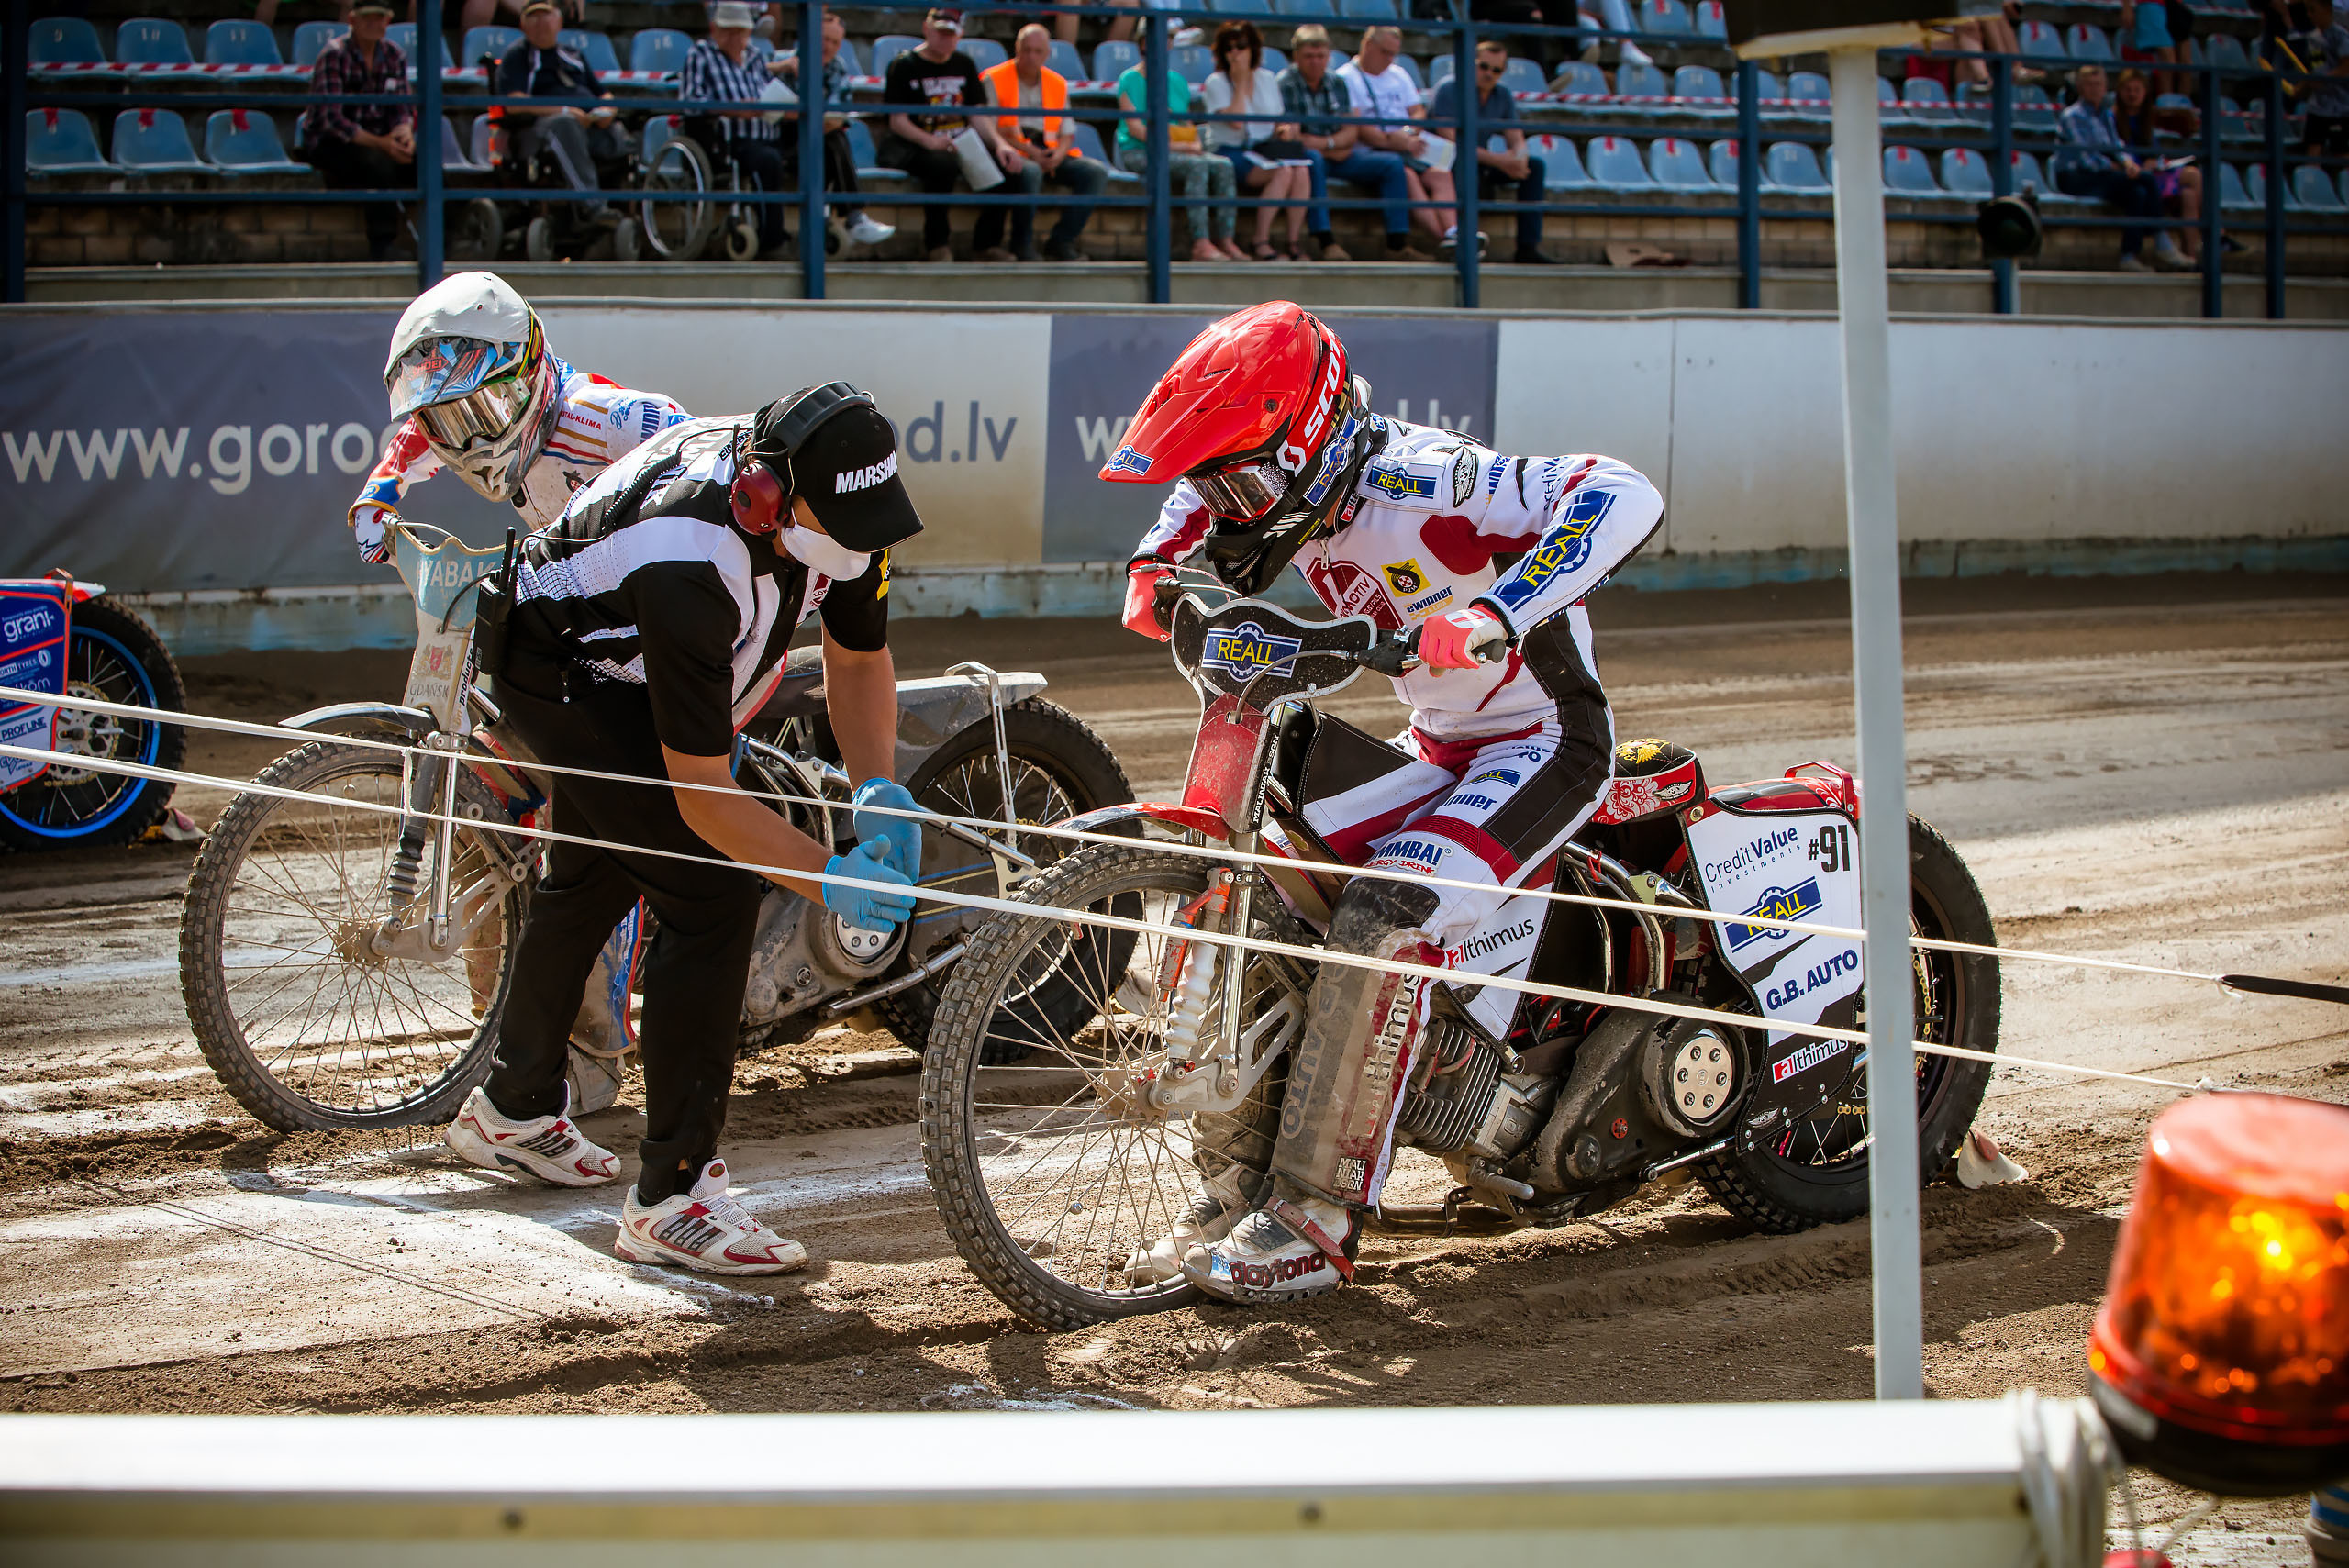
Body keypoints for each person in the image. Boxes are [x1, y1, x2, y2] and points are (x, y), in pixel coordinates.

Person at [1104, 302, 1663, 1302]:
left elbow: (1622, 491)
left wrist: (1498, 610)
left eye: (1248, 486)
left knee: (1382, 911)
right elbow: (1194, 496)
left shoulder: (1429, 478)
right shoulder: (1275, 484)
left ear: (1311, 439)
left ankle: (1318, 1218)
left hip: (1545, 740)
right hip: (1442, 744)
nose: (1233, 510)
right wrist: (1154, 565)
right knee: (1268, 884)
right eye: (1224, 487)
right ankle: (1233, 1188)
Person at [446, 383, 929, 1275]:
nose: (861, 548)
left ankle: (511, 1108)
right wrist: (828, 877)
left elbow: (859, 654)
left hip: (621, 658)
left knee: (593, 872)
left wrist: (878, 790)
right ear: (766, 496)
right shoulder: (694, 556)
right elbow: (704, 796)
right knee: (709, 891)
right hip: (559, 668)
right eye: (843, 528)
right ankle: (672, 1198)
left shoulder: (847, 511)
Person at [362, 272, 693, 1065]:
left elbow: (705, 462)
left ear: (526, 375)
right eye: (451, 418)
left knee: (605, 822)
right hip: (585, 637)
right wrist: (379, 492)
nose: (465, 435)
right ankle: (503, 1018)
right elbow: (418, 434)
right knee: (487, 789)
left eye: (477, 412)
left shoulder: (615, 419)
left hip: (674, 641)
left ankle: (594, 1048)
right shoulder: (462, 422)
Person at [878, 7, 1025, 261]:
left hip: (962, 142)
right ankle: (936, 244)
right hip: (917, 144)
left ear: (960, 35)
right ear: (926, 29)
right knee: (941, 165)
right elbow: (897, 121)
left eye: (951, 34)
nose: (945, 39)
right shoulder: (903, 66)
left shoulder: (964, 64)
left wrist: (1000, 145)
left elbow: (977, 115)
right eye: (940, 32)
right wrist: (930, 141)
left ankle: (986, 245)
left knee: (1008, 168)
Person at [978, 23, 1112, 261]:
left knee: (1095, 173)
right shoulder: (994, 78)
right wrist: (1028, 151)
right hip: (1011, 149)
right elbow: (990, 128)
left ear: (1047, 54)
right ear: (1017, 49)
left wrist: (1058, 155)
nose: (1031, 56)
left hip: (1048, 151)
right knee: (1030, 173)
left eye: (1037, 51)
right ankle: (1021, 245)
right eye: (1026, 50)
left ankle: (1061, 242)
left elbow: (1067, 132)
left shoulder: (1057, 83)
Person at [1281, 24, 1415, 260]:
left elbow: (1351, 132)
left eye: (1321, 56)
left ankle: (1397, 244)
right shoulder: (1286, 83)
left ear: (1328, 56)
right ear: (1296, 56)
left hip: (1341, 154)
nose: (1315, 62)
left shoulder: (1337, 82)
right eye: (1309, 56)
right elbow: (1292, 138)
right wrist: (1333, 144)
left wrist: (1328, 144)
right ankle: (1326, 241)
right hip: (1314, 156)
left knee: (1392, 164)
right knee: (1312, 160)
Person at [295, 0, 413, 263]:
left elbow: (402, 107)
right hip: (330, 142)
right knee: (377, 163)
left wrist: (404, 133)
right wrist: (382, 144)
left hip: (380, 139)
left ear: (388, 21)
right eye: (366, 17)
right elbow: (331, 119)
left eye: (379, 17)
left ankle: (452, 240)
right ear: (352, 20)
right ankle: (383, 246)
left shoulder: (395, 55)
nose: (373, 23)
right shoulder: (334, 55)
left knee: (425, 160)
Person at [681, 0, 796, 261]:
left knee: (815, 145)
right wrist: (734, 109)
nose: (735, 38)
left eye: (740, 32)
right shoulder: (700, 54)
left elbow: (770, 91)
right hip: (727, 139)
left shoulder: (755, 56)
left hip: (768, 132)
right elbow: (691, 102)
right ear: (714, 29)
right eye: (728, 31)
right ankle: (772, 239)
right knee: (767, 160)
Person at [774, 6, 896, 250]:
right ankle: (854, 218)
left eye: (835, 42)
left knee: (834, 140)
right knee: (833, 140)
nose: (828, 47)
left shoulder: (837, 67)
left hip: (820, 142)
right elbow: (775, 113)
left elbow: (837, 116)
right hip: (786, 145)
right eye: (824, 39)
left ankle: (851, 219)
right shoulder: (785, 65)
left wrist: (809, 117)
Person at [1341, 25, 1466, 256]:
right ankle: (1445, 240)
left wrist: (1407, 133)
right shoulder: (1347, 77)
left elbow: (1417, 111)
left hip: (1407, 144)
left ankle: (1454, 233)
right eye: (1385, 52)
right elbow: (1358, 127)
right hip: (1373, 149)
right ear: (1368, 45)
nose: (1389, 59)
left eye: (1393, 54)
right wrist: (1391, 141)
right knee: (1406, 174)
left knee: (1441, 173)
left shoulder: (1398, 74)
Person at [497, 0, 624, 228]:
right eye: (534, 17)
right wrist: (564, 110)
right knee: (565, 124)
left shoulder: (573, 55)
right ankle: (593, 207)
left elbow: (603, 93)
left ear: (559, 22)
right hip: (540, 127)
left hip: (588, 123)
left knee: (622, 132)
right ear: (523, 25)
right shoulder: (517, 55)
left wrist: (608, 110)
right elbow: (514, 103)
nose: (541, 23)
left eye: (546, 16)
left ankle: (632, 208)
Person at [2055, 62, 2188, 272]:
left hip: (2101, 174)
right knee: (2146, 179)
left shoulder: (2105, 115)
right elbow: (2086, 159)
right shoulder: (2072, 116)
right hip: (2075, 176)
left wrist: (2128, 163)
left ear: (2105, 87)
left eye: (2098, 84)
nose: (2094, 89)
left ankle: (2129, 256)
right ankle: (2162, 241)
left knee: (2137, 192)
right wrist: (2116, 168)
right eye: (2089, 85)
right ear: (2080, 87)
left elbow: (2117, 145)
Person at [1431, 39, 1552, 264]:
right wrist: (1500, 161)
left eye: (1496, 70)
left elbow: (1515, 137)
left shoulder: (1502, 94)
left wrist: (1519, 158)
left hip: (1483, 161)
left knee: (1534, 167)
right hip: (1449, 161)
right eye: (1483, 67)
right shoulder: (1449, 89)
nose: (1489, 74)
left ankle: (1527, 248)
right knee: (1465, 166)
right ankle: (1465, 244)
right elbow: (1452, 140)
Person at [1202, 19, 1314, 260]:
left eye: (1241, 47)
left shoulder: (1267, 78)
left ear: (1253, 49)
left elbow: (1276, 119)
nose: (1235, 53)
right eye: (1229, 49)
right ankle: (1260, 241)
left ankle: (1293, 242)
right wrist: (1241, 82)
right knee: (1283, 172)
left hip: (1264, 149)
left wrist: (1284, 130)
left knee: (1301, 171)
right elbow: (1236, 122)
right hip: (1229, 150)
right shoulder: (1216, 83)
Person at [1116, 53, 1244, 261]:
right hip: (1140, 152)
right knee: (1196, 166)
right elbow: (1136, 129)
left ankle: (1226, 240)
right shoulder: (1129, 79)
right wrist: (1178, 147)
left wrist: (1195, 144)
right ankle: (1201, 243)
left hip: (1177, 149)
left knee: (1224, 165)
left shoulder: (1176, 81)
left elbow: (1185, 123)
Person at [2111, 68, 2206, 261]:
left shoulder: (2146, 118)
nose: (2132, 94)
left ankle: (2191, 259)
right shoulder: (2111, 118)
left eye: (2137, 90)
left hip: (2152, 171)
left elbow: (2153, 151)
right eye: (2128, 90)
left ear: (2145, 93)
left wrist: (2154, 162)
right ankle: (2215, 234)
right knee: (2193, 176)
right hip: (2133, 174)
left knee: (2189, 194)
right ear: (2119, 92)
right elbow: (2117, 151)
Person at [2301, 0, 2349, 158]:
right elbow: (2317, 67)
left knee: (2341, 154)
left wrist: (2324, 79)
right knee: (2313, 152)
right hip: (2318, 106)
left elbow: (2346, 67)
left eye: (2313, 10)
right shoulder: (2312, 39)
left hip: (2340, 107)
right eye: (2308, 10)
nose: (2309, 15)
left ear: (2327, 9)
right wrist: (2307, 84)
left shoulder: (2341, 36)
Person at [2120, 0, 2180, 95]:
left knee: (2167, 60)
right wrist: (2127, 7)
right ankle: (2166, 99)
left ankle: (2165, 98)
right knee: (2168, 58)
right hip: (2149, 6)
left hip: (2164, 7)